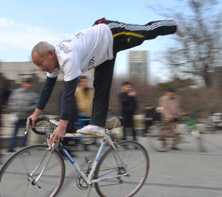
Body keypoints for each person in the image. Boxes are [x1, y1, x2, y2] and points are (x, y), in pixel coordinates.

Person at [28, 18, 184, 146]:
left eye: (41, 63)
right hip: (102, 53)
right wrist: (36, 114)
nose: (41, 68)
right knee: (100, 85)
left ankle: (172, 24)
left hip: (111, 33)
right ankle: (97, 124)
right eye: (38, 66)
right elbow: (47, 88)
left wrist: (63, 126)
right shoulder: (54, 62)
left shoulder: (67, 58)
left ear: (50, 54)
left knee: (147, 32)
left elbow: (68, 95)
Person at [7, 77, 38, 152]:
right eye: (25, 83)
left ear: (31, 84)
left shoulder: (33, 94)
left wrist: (28, 108)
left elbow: (37, 105)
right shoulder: (17, 92)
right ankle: (11, 146)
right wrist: (13, 110)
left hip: (27, 117)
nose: (27, 85)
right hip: (17, 116)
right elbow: (12, 101)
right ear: (23, 83)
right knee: (14, 132)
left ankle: (24, 148)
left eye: (29, 83)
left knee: (26, 133)